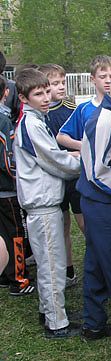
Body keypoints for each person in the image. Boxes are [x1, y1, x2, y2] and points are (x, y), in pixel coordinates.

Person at [14, 68, 81, 338]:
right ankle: (57, 322)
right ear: (23, 97)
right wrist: (80, 160)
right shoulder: (31, 125)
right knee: (52, 265)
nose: (45, 97)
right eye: (38, 93)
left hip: (44, 204)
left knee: (48, 261)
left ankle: (49, 310)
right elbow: (54, 160)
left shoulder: (35, 120)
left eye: (46, 91)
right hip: (42, 205)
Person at [78, 64, 111, 346]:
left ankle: (93, 323)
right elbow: (98, 172)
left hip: (103, 202)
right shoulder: (106, 120)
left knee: (97, 262)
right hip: (103, 203)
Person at [39, 63, 80, 287]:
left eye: (62, 82)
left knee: (85, 222)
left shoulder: (72, 108)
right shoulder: (40, 116)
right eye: (55, 84)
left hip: (76, 177)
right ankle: (68, 270)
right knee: (62, 226)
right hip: (56, 178)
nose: (61, 87)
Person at [0, 75, 34, 296]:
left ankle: (4, 274)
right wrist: (17, 178)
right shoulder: (3, 119)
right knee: (16, 234)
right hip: (7, 190)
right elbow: (6, 158)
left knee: (2, 234)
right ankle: (19, 280)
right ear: (6, 93)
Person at [57, 55, 111, 151]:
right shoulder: (84, 108)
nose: (108, 81)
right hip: (92, 164)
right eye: (102, 77)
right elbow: (61, 137)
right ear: (93, 79)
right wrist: (84, 146)